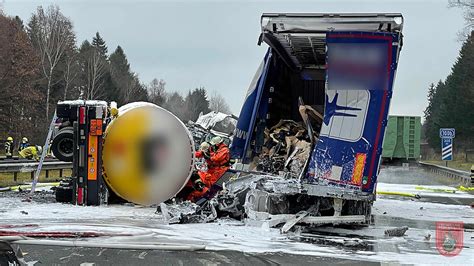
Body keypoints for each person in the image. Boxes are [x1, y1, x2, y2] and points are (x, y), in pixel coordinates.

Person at [186, 136, 230, 202]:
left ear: (218, 144)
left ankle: (210, 197)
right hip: (212, 169)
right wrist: (191, 154)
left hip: (220, 170)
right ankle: (205, 194)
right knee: (207, 180)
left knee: (212, 184)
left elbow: (217, 158)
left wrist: (208, 156)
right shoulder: (212, 148)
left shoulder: (224, 150)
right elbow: (199, 154)